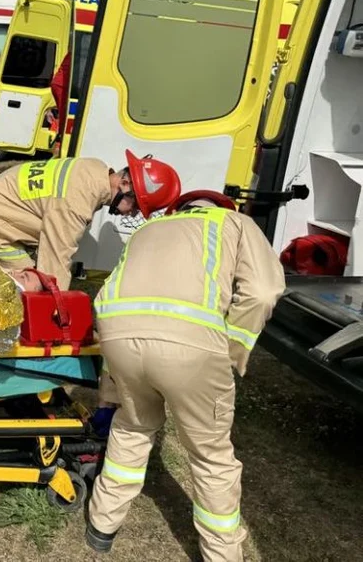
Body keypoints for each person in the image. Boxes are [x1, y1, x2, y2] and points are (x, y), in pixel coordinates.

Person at [85, 190, 286, 562]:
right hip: (190, 347)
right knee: (210, 455)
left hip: (119, 337)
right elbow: (262, 292)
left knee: (132, 426)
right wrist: (233, 351)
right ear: (224, 208)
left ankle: (102, 524)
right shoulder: (237, 223)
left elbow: (112, 290)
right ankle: (222, 554)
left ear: (180, 209)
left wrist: (110, 378)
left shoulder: (149, 228)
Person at [0, 150, 181, 292]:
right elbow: (55, 263)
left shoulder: (94, 169)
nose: (132, 214)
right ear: (124, 185)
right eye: (136, 206)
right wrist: (60, 314)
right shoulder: (78, 199)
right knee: (28, 288)